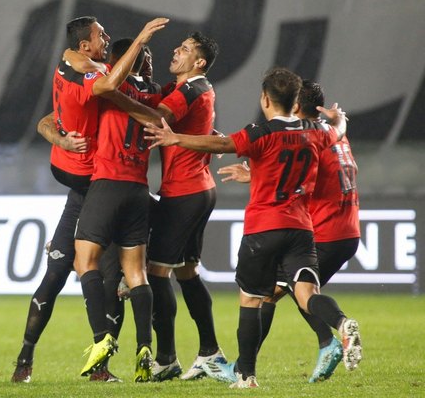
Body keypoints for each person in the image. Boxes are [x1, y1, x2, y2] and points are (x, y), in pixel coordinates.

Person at [143, 67, 362, 388]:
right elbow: (338, 128)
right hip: (301, 231)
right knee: (307, 292)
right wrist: (336, 117)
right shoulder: (317, 132)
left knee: (251, 299)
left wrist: (177, 138)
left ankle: (246, 375)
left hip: (264, 228)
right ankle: (341, 324)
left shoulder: (261, 132)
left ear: (265, 99)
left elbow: (221, 144)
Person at [10, 15, 168, 384]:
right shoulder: (99, 86)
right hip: (89, 191)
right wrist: (63, 140)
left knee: (109, 278)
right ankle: (24, 357)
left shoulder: (102, 86)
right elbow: (47, 121)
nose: (105, 37)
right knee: (57, 274)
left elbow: (49, 118)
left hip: (103, 189)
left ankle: (101, 366)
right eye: (100, 35)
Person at [217, 79, 361, 383]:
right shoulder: (331, 134)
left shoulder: (307, 138)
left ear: (295, 105)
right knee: (292, 291)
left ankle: (250, 368)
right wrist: (341, 120)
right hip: (346, 229)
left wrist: (253, 174)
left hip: (324, 229)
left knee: (277, 295)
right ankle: (329, 339)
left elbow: (291, 174)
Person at [107, 31, 228, 382]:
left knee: (156, 274)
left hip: (185, 193)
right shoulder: (189, 89)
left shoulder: (191, 89)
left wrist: (111, 95)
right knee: (187, 273)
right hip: (195, 190)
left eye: (186, 49)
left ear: (199, 62)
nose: (176, 51)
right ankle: (210, 352)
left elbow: (153, 116)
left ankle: (166, 358)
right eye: (179, 46)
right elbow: (151, 100)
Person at [66, 37, 163, 382]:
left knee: (84, 261)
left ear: (119, 62)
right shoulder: (153, 96)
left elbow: (85, 73)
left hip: (108, 182)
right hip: (139, 188)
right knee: (136, 273)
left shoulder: (108, 88)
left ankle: (101, 339)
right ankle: (144, 347)